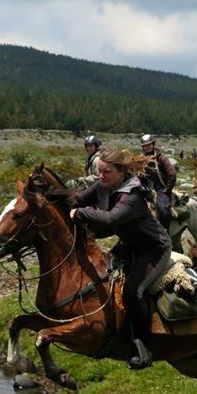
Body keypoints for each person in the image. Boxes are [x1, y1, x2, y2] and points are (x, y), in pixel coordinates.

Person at [70, 149, 172, 370]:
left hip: (153, 248)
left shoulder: (132, 194)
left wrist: (80, 213)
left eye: (106, 171)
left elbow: (110, 219)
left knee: (133, 291)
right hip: (129, 246)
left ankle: (143, 347)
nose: (101, 176)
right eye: (99, 171)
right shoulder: (104, 185)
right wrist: (48, 196)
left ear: (121, 171)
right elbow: (78, 198)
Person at [138, 133, 177, 230]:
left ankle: (165, 233)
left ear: (153, 144)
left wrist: (167, 190)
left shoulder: (161, 158)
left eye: (149, 145)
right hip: (145, 189)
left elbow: (172, 175)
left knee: (163, 210)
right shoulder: (140, 159)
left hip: (160, 189)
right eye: (145, 146)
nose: (147, 147)